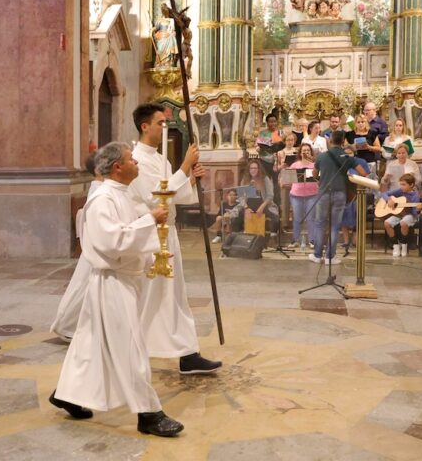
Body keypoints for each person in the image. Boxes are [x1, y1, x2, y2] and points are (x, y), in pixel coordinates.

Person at [50, 142, 184, 438]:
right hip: (112, 283)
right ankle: (149, 414)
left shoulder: (119, 195)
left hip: (122, 278)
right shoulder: (102, 200)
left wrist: (149, 252)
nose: (136, 162)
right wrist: (150, 220)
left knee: (90, 342)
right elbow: (112, 241)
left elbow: (126, 232)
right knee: (131, 347)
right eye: (131, 159)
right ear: (117, 167)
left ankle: (67, 394)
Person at [129, 103, 221, 374]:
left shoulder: (160, 159)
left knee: (175, 297)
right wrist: (184, 167)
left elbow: (175, 195)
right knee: (151, 298)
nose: (164, 128)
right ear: (145, 126)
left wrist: (190, 179)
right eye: (160, 123)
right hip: (150, 236)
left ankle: (187, 354)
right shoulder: (138, 159)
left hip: (168, 234)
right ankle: (133, 349)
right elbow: (155, 196)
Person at [51, 152, 102, 341]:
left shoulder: (101, 186)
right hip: (96, 247)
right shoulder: (98, 189)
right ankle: (68, 324)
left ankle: (72, 323)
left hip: (97, 246)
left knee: (85, 285)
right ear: (98, 169)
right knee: (84, 286)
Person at [309, 131, 368, 265]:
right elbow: (363, 173)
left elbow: (314, 174)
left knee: (319, 224)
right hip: (340, 193)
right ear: (343, 142)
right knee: (335, 226)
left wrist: (321, 179)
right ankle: (330, 257)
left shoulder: (322, 156)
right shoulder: (347, 157)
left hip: (324, 193)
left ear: (330, 141)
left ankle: (317, 255)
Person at [382, 173, 421, 257]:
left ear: (411, 185)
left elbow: (414, 213)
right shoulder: (400, 191)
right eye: (401, 184)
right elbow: (384, 194)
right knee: (387, 223)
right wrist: (388, 199)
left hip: (410, 215)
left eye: (404, 184)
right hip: (399, 214)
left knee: (403, 222)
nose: (401, 186)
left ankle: (404, 244)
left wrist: (417, 209)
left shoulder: (415, 195)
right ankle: (395, 245)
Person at [287, 143, 318, 248]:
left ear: (311, 152)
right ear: (300, 153)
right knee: (297, 218)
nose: (305, 152)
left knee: (311, 218)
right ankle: (295, 240)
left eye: (308, 150)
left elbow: (320, 179)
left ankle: (312, 240)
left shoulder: (315, 165)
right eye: (303, 150)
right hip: (296, 195)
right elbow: (288, 179)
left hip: (312, 194)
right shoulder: (295, 165)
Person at [242, 159, 280, 234]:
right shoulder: (245, 179)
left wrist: (261, 207)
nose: (253, 170)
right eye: (251, 168)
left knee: (275, 218)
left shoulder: (265, 179)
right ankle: (238, 238)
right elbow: (241, 197)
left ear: (259, 169)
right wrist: (246, 208)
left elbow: (270, 196)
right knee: (235, 217)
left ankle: (272, 238)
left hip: (264, 205)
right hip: (248, 206)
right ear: (249, 170)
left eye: (255, 168)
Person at [256, 115, 284, 207]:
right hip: (264, 161)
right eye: (270, 122)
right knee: (265, 182)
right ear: (267, 123)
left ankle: (277, 204)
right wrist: (259, 148)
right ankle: (265, 204)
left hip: (276, 162)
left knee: (276, 184)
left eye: (274, 121)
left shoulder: (280, 132)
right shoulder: (263, 133)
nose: (273, 123)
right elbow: (258, 146)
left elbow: (283, 145)